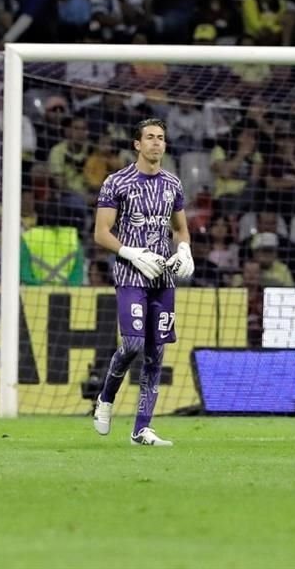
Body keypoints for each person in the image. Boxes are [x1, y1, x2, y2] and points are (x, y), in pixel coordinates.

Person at [92, 118, 195, 446]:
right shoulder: (116, 182)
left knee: (156, 352)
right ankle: (105, 398)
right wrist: (132, 253)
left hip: (163, 277)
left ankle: (141, 429)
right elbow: (100, 233)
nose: (155, 143)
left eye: (160, 138)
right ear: (137, 144)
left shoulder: (172, 184)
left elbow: (180, 229)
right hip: (131, 275)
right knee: (134, 344)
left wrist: (185, 251)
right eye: (149, 137)